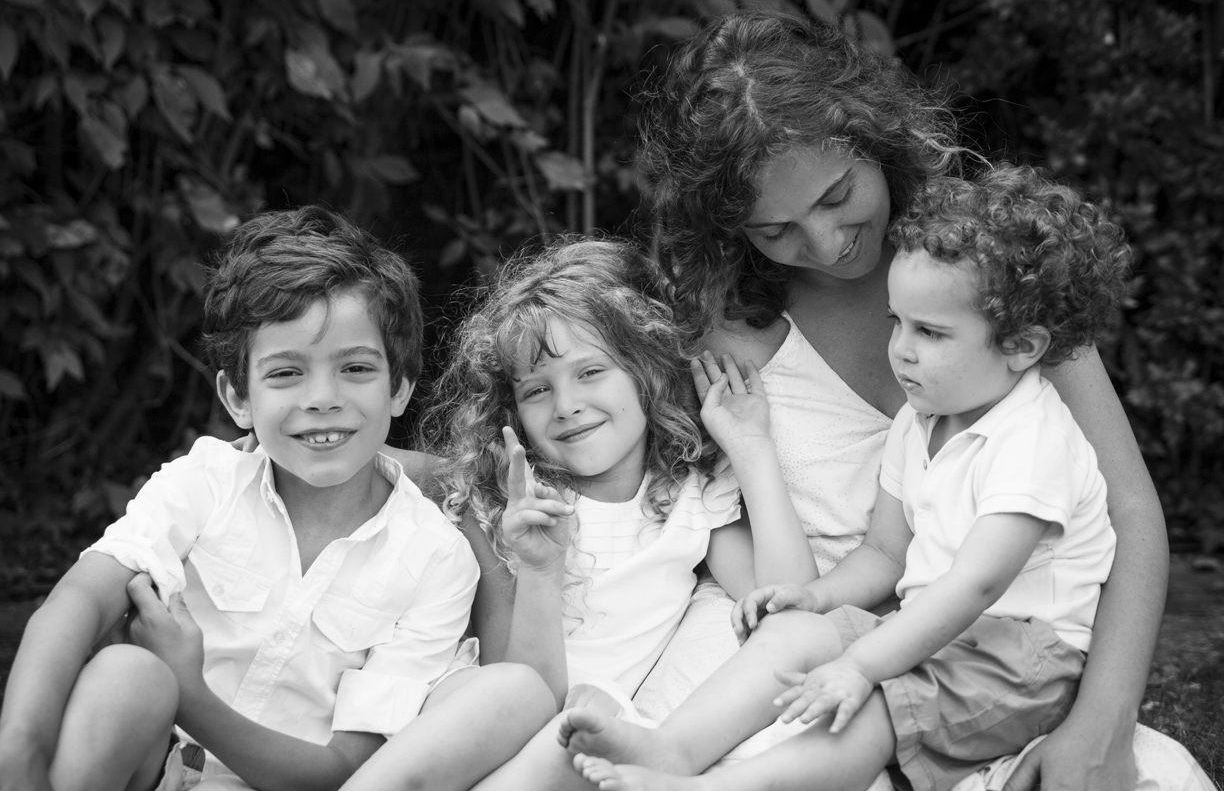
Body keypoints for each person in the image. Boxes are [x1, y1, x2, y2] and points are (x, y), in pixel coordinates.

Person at [622, 10, 1176, 791]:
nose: (823, 244)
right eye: (772, 229)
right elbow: (687, 506)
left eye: (837, 194)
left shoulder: (993, 269)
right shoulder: (728, 328)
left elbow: (1131, 511)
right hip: (822, 641)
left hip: (998, 659)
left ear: (872, 139)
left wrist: (1103, 723)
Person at [561, 164, 1128, 791]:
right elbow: (886, 550)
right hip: (939, 636)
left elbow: (974, 585)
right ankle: (671, 749)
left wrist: (861, 664)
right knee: (794, 634)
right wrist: (818, 599)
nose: (903, 350)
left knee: (869, 708)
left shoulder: (1033, 441)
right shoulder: (924, 421)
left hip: (1022, 660)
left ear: (1022, 346)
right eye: (897, 323)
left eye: (931, 333)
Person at [0, 206, 553, 791]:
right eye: (286, 373)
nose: (322, 398)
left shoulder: (435, 557)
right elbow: (78, 601)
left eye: (356, 368)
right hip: (150, 771)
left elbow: (345, 770)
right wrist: (19, 752)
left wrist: (191, 694)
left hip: (283, 782)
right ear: (238, 397)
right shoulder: (206, 483)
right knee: (126, 673)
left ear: (400, 388)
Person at [345, 238, 820, 791]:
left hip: (579, 743)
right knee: (543, 719)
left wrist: (752, 448)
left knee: (585, 740)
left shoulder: (688, 498)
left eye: (591, 372)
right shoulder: (507, 504)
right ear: (513, 413)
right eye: (537, 390)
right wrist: (541, 570)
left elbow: (792, 605)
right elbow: (515, 693)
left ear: (646, 370)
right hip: (483, 728)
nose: (566, 404)